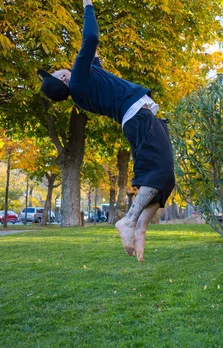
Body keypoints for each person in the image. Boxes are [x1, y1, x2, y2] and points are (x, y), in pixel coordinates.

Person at [37, 0, 175, 261]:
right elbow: (90, 38)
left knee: (166, 178)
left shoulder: (83, 86)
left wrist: (93, 52)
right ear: (62, 79)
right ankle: (128, 221)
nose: (59, 68)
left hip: (140, 117)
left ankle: (140, 229)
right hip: (137, 117)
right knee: (157, 172)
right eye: (56, 72)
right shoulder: (77, 79)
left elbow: (95, 57)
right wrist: (88, 5)